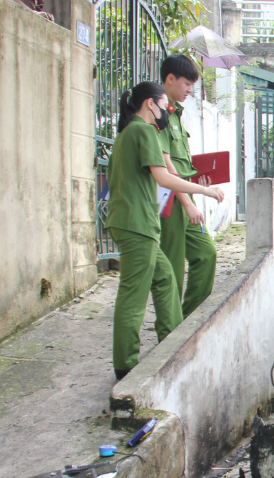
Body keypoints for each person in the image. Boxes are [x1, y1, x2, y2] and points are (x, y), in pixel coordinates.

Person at [105, 82, 225, 380]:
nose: (165, 112)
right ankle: (126, 365)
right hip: (136, 223)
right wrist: (205, 191)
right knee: (133, 293)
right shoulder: (143, 131)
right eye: (163, 106)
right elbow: (164, 177)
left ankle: (172, 343)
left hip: (131, 220)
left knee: (165, 279)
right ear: (150, 104)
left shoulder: (127, 134)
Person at [158, 55, 218, 319]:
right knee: (172, 269)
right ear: (170, 79)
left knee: (206, 254)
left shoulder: (176, 115)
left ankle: (187, 322)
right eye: (186, 84)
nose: (190, 90)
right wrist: (188, 202)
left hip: (185, 195)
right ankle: (170, 330)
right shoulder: (158, 114)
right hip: (171, 201)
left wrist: (196, 182)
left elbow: (181, 164)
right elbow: (166, 166)